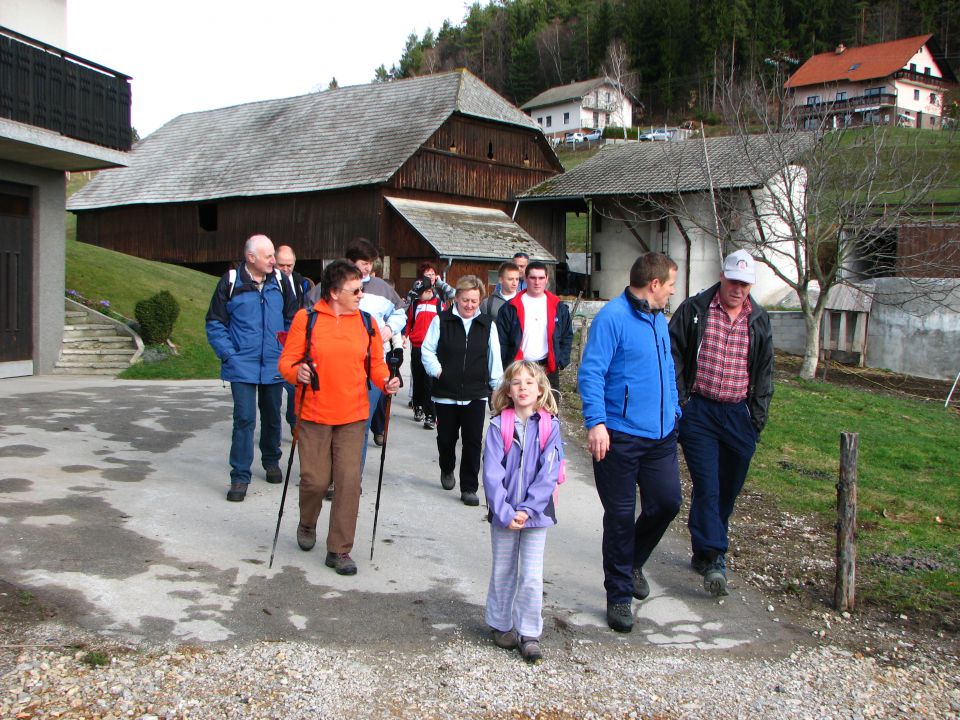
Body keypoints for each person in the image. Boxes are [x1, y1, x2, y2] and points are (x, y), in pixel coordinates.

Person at [577, 252, 681, 633]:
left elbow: (668, 368)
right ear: (653, 284)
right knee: (620, 518)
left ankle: (633, 561)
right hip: (618, 436)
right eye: (670, 284)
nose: (672, 291)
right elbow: (591, 372)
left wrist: (674, 413)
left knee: (668, 502)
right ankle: (619, 594)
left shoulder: (659, 320)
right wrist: (597, 422)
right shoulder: (612, 318)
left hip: (660, 435)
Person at [279, 259, 401, 576]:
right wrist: (297, 372)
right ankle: (307, 522)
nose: (362, 294)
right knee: (315, 481)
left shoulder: (366, 323)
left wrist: (387, 380)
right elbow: (286, 364)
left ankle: (339, 549)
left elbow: (376, 366)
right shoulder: (306, 320)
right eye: (355, 289)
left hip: (353, 415)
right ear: (334, 292)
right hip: (313, 414)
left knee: (349, 482)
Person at [668, 249, 774, 597]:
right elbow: (673, 354)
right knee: (708, 484)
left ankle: (702, 547)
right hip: (700, 411)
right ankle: (715, 558)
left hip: (737, 414)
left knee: (727, 489)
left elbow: (765, 372)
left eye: (745, 284)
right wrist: (681, 401)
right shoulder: (695, 309)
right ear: (722, 277)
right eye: (733, 281)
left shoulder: (758, 319)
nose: (738, 289)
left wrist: (755, 419)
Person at [206, 234, 298, 502]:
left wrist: (285, 351)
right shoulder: (231, 282)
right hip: (241, 364)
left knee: (272, 416)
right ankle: (239, 476)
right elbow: (214, 322)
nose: (274, 261)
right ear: (251, 258)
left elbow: (293, 319)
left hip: (273, 362)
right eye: (269, 256)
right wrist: (228, 354)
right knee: (244, 419)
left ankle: (271, 460)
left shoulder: (281, 282)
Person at [483, 360, 562, 664]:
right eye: (517, 383)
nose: (523, 388)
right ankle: (501, 624)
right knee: (503, 569)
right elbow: (491, 473)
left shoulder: (550, 427)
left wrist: (527, 510)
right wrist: (505, 512)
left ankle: (529, 631)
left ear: (541, 389)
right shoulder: (497, 426)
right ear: (508, 390)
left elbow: (549, 474)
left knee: (531, 575)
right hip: (503, 513)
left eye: (530, 382)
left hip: (537, 515)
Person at [306, 239, 405, 470]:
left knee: (359, 424)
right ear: (350, 261)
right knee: (331, 424)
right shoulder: (326, 287)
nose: (368, 268)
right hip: (333, 368)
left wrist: (389, 330)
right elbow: (308, 318)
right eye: (364, 263)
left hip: (370, 367)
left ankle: (352, 476)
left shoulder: (382, 288)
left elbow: (400, 312)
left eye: (371, 263)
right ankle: (327, 471)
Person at [421, 275, 503, 506]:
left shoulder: (488, 325)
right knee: (446, 439)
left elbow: (493, 359)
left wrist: (496, 388)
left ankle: (469, 487)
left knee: (473, 441)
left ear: (480, 301)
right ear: (456, 298)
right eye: (465, 300)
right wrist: (438, 371)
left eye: (474, 301)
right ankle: (446, 467)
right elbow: (427, 350)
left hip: (475, 394)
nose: (469, 305)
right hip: (445, 392)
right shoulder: (441, 321)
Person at [496, 261, 573, 392]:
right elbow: (501, 340)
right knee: (519, 410)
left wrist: (561, 361)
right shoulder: (510, 308)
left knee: (549, 410)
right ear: (525, 278)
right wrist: (506, 365)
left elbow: (566, 335)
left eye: (541, 278)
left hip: (548, 368)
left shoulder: (558, 307)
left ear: (547, 279)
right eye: (533, 278)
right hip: (518, 367)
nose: (537, 282)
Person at [276, 245, 315, 435]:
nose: (285, 269)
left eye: (289, 265)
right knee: (278, 390)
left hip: (297, 336)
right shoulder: (271, 282)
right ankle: (278, 433)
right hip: (278, 337)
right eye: (281, 265)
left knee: (295, 386)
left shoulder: (301, 282)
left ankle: (293, 421)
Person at [405, 276, 442, 429]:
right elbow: (408, 322)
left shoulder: (439, 304)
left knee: (430, 382)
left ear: (429, 291)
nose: (418, 296)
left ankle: (430, 415)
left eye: (421, 293)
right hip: (417, 346)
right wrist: (403, 336)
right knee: (418, 379)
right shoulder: (415, 304)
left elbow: (444, 324)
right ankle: (417, 406)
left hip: (433, 349)